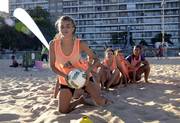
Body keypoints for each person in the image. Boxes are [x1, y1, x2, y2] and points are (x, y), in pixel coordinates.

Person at [49, 16, 110, 113]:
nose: (65, 29)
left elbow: (96, 59)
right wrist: (66, 76)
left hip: (83, 78)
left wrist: (88, 71)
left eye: (68, 26)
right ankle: (80, 101)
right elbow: (52, 66)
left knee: (101, 102)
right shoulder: (53, 44)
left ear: (73, 28)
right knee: (63, 111)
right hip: (66, 80)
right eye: (62, 27)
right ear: (59, 29)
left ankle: (96, 95)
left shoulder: (80, 43)